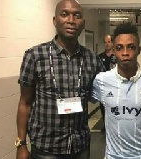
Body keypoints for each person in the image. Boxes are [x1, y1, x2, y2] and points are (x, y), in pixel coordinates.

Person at [16, 0, 105, 159]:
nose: (71, 20)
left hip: (80, 147)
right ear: (54, 20)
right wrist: (21, 144)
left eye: (77, 16)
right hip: (46, 148)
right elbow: (25, 102)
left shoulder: (92, 59)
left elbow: (113, 84)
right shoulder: (35, 56)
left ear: (83, 23)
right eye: (64, 15)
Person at [91, 22, 141, 159]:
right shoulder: (101, 81)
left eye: (131, 47)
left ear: (139, 50)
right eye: (119, 47)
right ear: (114, 50)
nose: (125, 53)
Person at [98, 34, 116, 132]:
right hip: (103, 87)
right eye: (105, 42)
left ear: (112, 43)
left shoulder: (117, 57)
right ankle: (105, 125)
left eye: (109, 42)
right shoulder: (100, 57)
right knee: (103, 106)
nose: (107, 44)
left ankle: (113, 125)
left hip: (114, 86)